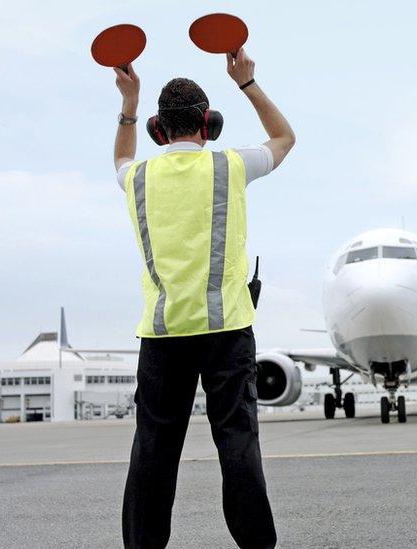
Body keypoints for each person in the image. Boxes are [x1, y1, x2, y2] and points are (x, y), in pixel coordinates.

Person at [113, 48, 295, 549]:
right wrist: (248, 83)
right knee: (237, 444)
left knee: (153, 449)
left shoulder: (137, 179)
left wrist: (128, 103)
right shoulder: (231, 166)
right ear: (208, 123)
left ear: (158, 129)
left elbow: (121, 156)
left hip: (163, 334)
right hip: (227, 334)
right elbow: (284, 138)